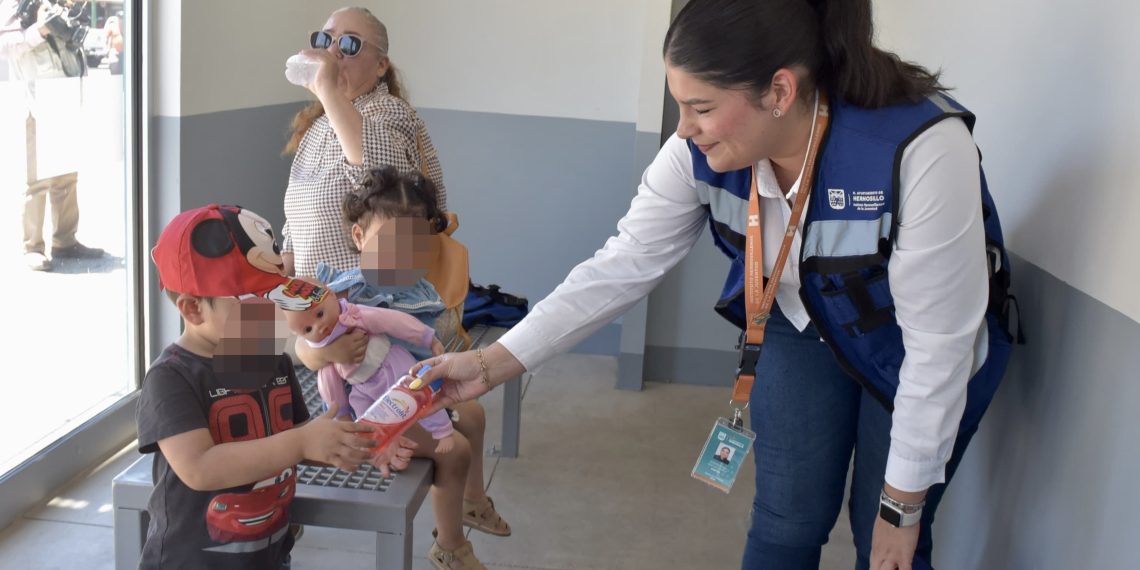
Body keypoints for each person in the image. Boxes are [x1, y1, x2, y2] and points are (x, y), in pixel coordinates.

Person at [415, 1, 1015, 569]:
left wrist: (901, 508)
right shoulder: (694, 153)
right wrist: (490, 364)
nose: (684, 130)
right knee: (786, 521)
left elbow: (939, 345)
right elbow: (622, 265)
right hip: (799, 323)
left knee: (885, 540)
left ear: (779, 91)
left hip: (916, 349)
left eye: (700, 107)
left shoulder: (921, 148)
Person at [138, 204, 416, 569]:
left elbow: (299, 440)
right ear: (193, 310)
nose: (274, 312)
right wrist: (300, 442)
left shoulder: (273, 362)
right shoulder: (172, 378)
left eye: (277, 294)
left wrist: (358, 442)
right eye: (256, 301)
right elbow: (200, 467)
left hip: (269, 554)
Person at [295, 168, 509, 570]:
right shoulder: (339, 292)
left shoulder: (420, 293)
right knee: (455, 451)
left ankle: (473, 502)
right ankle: (450, 547)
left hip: (413, 392)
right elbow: (302, 348)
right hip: (372, 410)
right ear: (359, 239)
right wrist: (331, 351)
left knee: (474, 414)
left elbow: (429, 344)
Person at [281, 6, 447, 280]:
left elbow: (382, 180)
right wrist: (278, 277)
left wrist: (327, 89)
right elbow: (296, 220)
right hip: (318, 305)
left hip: (372, 304)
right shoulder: (319, 124)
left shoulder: (389, 110)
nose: (332, 52)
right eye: (325, 40)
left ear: (381, 65)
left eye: (349, 44)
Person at [0, 0, 103, 271]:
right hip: (35, 100)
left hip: (64, 94)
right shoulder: (14, 5)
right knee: (36, 180)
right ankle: (32, 247)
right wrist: (41, 29)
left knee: (67, 175)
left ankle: (65, 240)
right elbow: (5, 47)